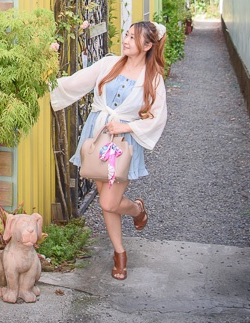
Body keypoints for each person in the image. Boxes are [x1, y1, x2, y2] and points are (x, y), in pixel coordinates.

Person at [50, 21, 168, 280]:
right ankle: (119, 254)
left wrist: (126, 126)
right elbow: (74, 83)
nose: (125, 40)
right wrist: (45, 79)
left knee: (109, 201)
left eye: (133, 38)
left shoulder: (153, 79)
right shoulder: (108, 64)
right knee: (108, 202)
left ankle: (138, 209)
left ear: (148, 46)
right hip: (97, 137)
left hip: (122, 145)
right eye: (126, 35)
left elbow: (157, 117)